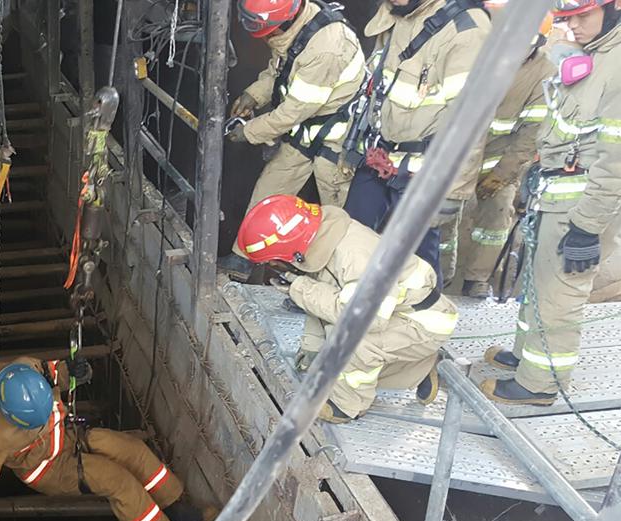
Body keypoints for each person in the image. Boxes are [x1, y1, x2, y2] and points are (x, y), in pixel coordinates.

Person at [481, 0, 621, 405]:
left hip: (582, 206)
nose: (572, 26)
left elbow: (614, 162)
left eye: (582, 16)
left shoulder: (616, 65)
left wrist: (587, 228)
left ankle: (539, 385)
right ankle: (527, 358)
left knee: (561, 294)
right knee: (539, 284)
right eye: (565, 19)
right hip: (558, 194)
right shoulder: (594, 53)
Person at [0, 356, 203, 521]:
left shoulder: (26, 368)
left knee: (130, 448)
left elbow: (55, 372)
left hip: (66, 436)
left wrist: (73, 370)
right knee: (117, 480)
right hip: (47, 467)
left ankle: (171, 505)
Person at [238, 195, 459, 422]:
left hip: (423, 322)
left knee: (350, 342)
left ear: (291, 250)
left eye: (273, 261)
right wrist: (312, 350)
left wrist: (301, 288)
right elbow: (326, 300)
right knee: (333, 359)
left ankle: (349, 406)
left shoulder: (355, 256)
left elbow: (363, 320)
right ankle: (419, 367)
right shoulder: (321, 239)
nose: (273, 267)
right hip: (397, 315)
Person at [342, 0, 491, 282]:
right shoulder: (399, 14)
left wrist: (453, 191)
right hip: (380, 154)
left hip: (422, 169)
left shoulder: (466, 30)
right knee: (350, 231)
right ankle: (337, 294)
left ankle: (426, 313)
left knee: (417, 259)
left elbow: (471, 121)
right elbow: (378, 89)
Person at [452, 8, 555, 298]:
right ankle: (440, 274)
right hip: (456, 157)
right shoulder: (477, 54)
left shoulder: (543, 74)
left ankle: (477, 279)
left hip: (499, 162)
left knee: (496, 217)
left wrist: (501, 175)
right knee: (442, 220)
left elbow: (530, 134)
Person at [229, 0, 366, 210]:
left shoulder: (326, 49)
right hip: (303, 134)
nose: (267, 39)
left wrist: (248, 131)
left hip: (336, 145)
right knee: (262, 206)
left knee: (339, 220)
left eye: (269, 33)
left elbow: (292, 113)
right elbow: (281, 71)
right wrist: (254, 94)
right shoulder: (295, 29)